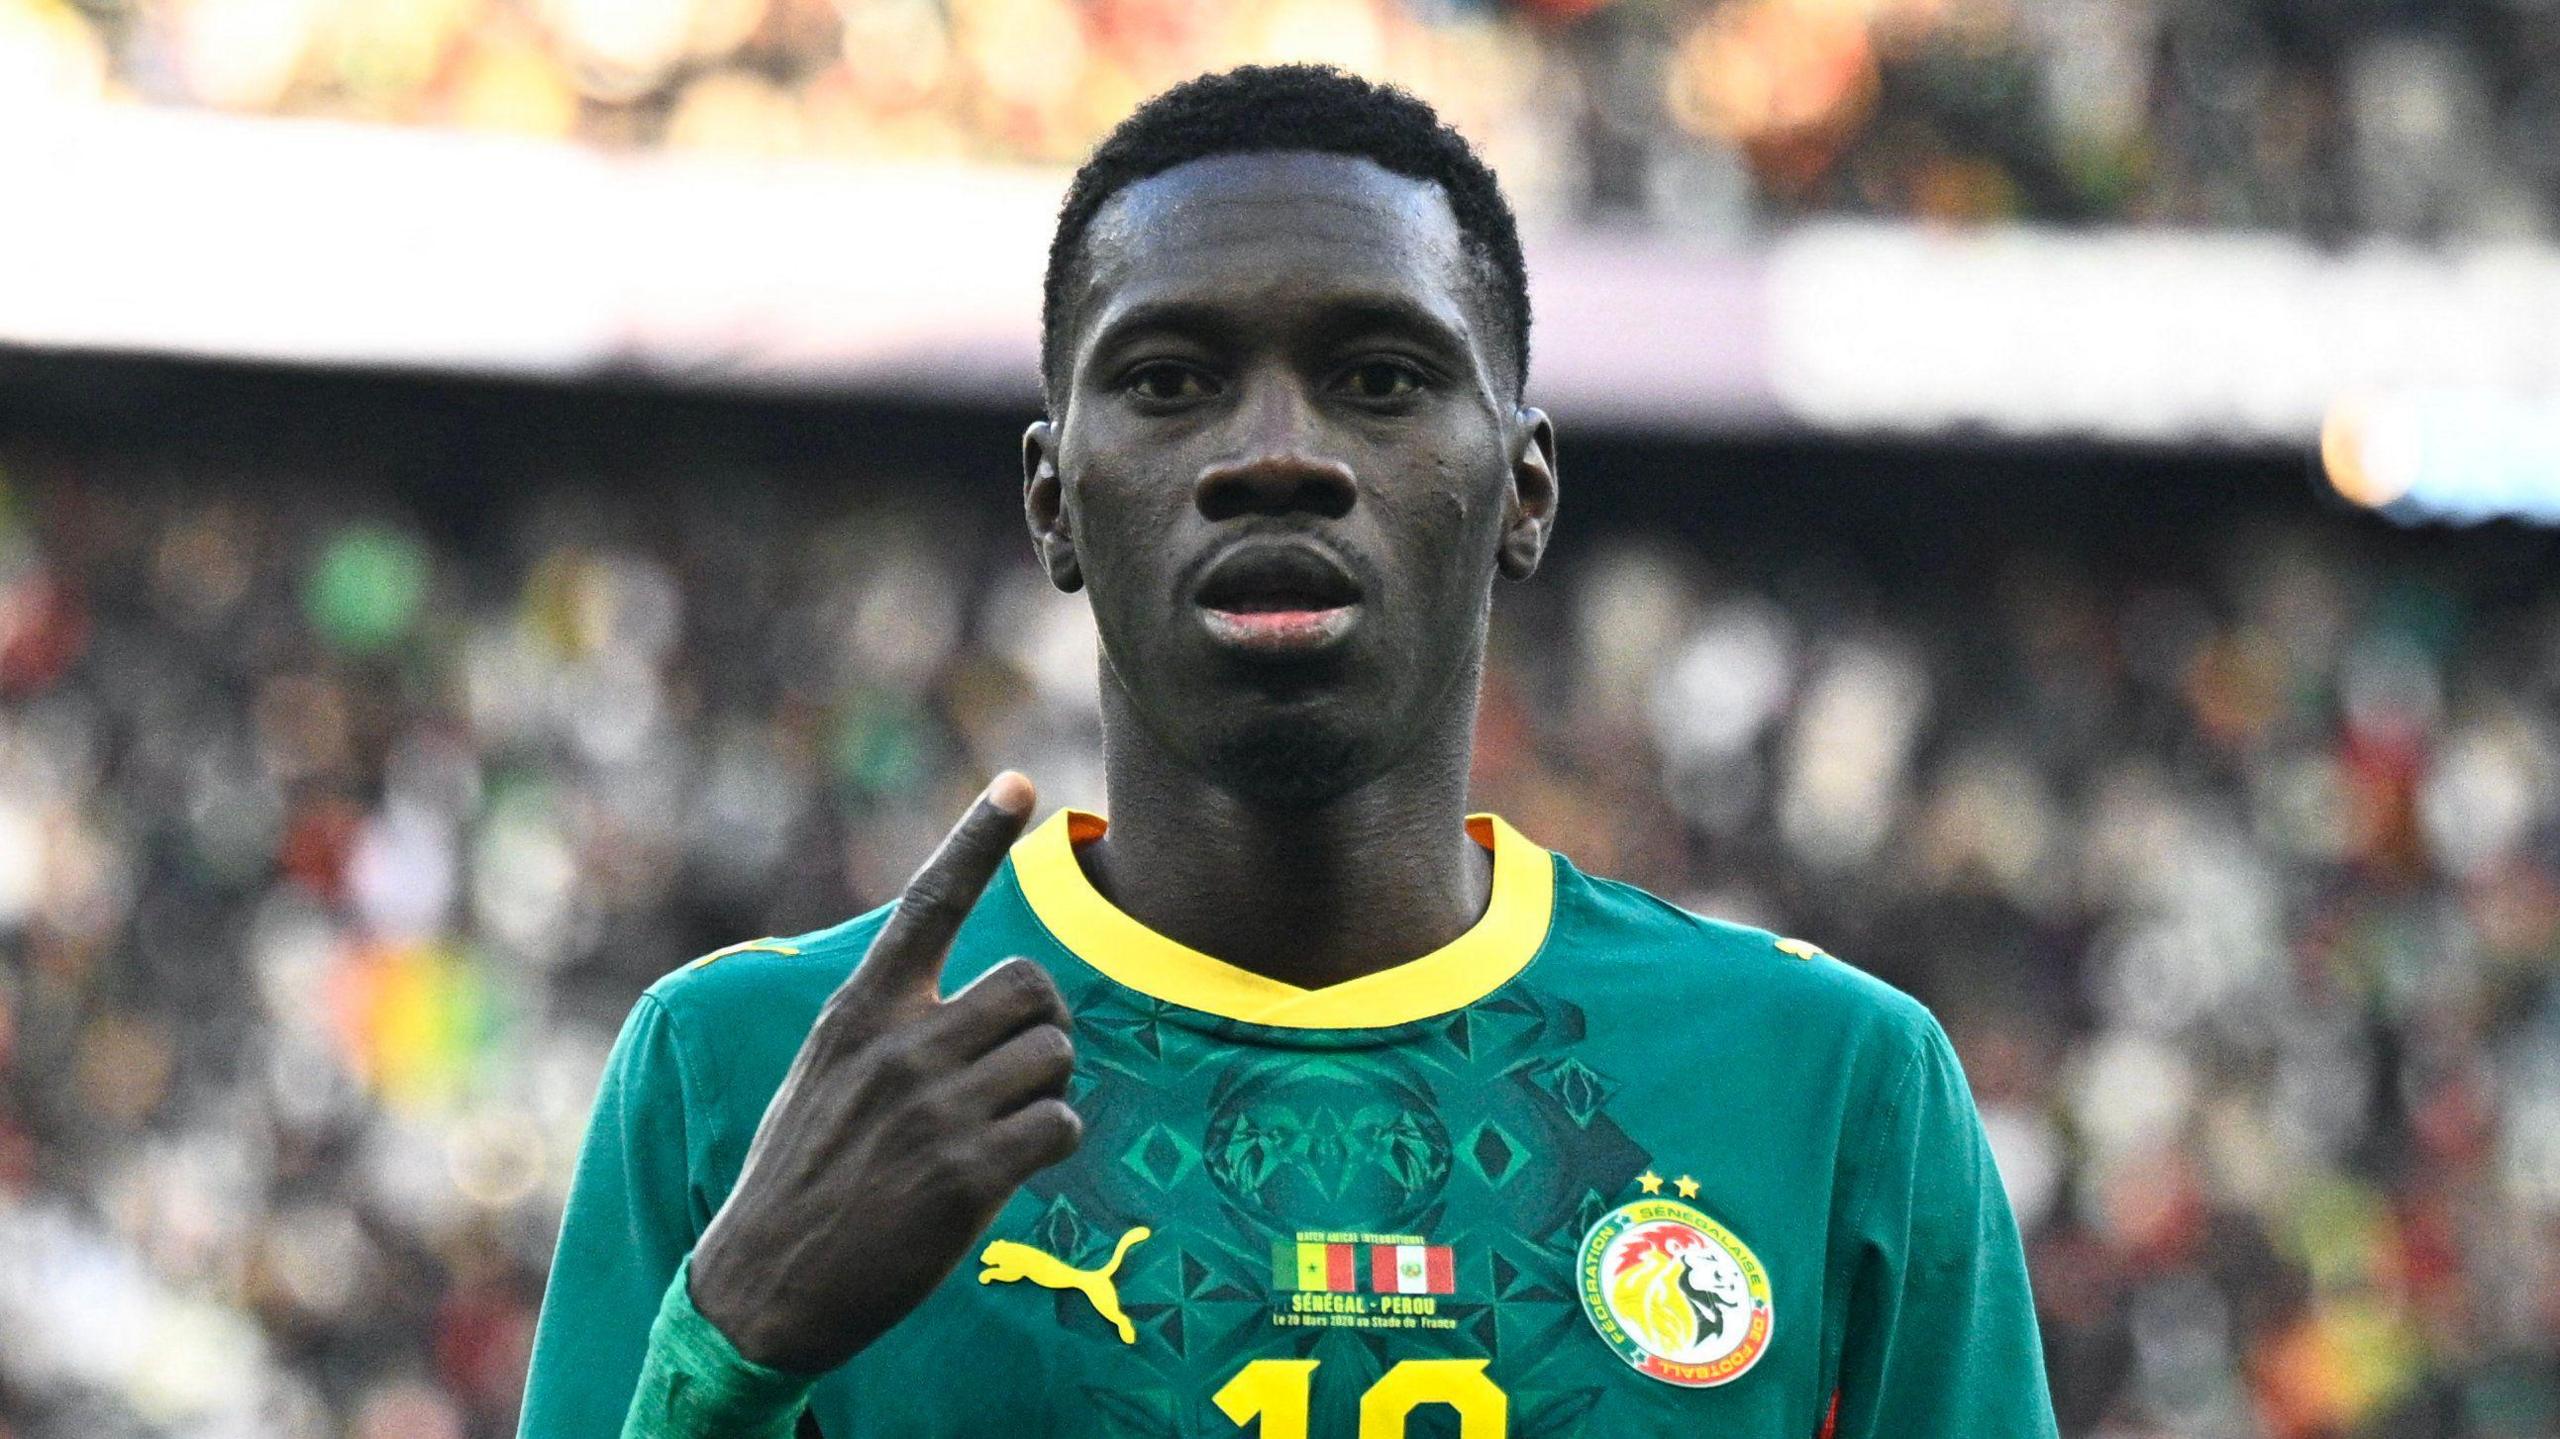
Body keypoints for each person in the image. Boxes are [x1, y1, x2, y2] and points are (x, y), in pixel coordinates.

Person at [517, 64, 2057, 1438]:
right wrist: (724, 1358)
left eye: (1380, 379)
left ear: (1522, 491)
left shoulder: (1826, 1087)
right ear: (1054, 500)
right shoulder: (746, 1069)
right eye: (1167, 382)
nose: (1274, 456)